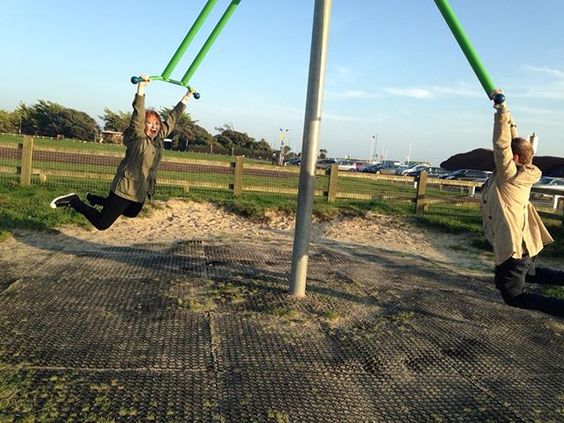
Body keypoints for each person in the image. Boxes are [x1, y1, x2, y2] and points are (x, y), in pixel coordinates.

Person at [50, 76, 193, 230]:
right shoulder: (138, 137)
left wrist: (186, 98)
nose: (154, 126)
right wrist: (141, 89)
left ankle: (94, 199)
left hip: (141, 190)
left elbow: (171, 120)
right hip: (126, 187)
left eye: (157, 123)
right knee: (101, 224)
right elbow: (138, 115)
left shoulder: (158, 139)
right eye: (150, 122)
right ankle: (74, 201)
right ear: (143, 125)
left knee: (132, 212)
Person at [481, 89, 564, 317]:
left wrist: (500, 110)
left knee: (513, 295)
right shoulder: (525, 170)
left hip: (514, 246)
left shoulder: (509, 176)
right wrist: (507, 113)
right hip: (526, 242)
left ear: (514, 159)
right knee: (530, 273)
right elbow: (515, 142)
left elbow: (502, 145)